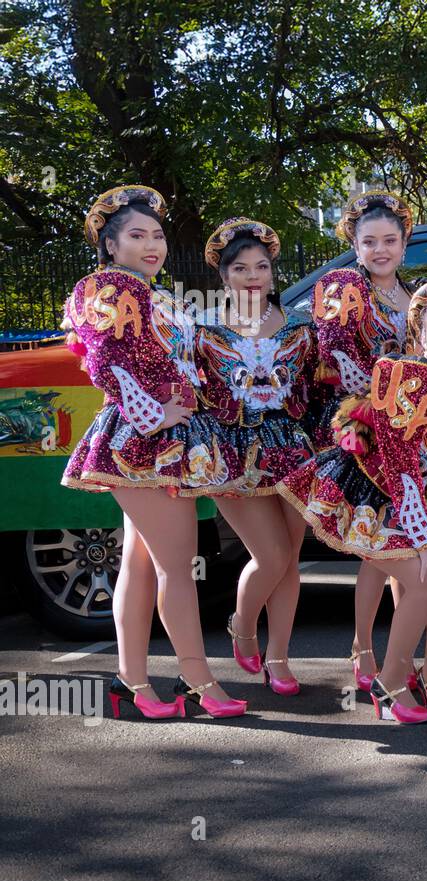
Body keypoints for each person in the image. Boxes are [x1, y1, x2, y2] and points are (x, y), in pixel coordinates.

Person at [62, 185, 246, 719]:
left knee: (142, 566)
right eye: (136, 236)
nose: (152, 245)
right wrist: (154, 415)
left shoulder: (149, 292)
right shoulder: (113, 286)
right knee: (175, 567)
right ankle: (197, 681)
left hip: (156, 442)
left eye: (158, 235)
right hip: (141, 443)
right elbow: (103, 360)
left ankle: (133, 684)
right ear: (110, 244)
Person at [277, 282, 427, 722]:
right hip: (367, 493)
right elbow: (400, 468)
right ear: (420, 336)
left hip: (413, 498)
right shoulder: (405, 380)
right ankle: (389, 685)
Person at [191, 218, 316, 696]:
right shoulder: (201, 330)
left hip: (293, 450)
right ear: (224, 276)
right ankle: (243, 625)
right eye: (240, 268)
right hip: (231, 452)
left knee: (291, 560)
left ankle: (280, 658)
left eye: (261, 266)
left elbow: (316, 388)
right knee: (272, 554)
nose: (253, 276)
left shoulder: (302, 325)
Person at [309, 191, 419, 691]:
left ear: (404, 243)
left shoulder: (413, 293)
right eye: (369, 241)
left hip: (412, 431)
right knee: (376, 544)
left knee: (403, 543)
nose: (380, 249)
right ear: (354, 245)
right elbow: (342, 362)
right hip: (368, 431)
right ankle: (363, 648)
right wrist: (383, 400)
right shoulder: (344, 287)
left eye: (390, 240)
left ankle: (401, 653)